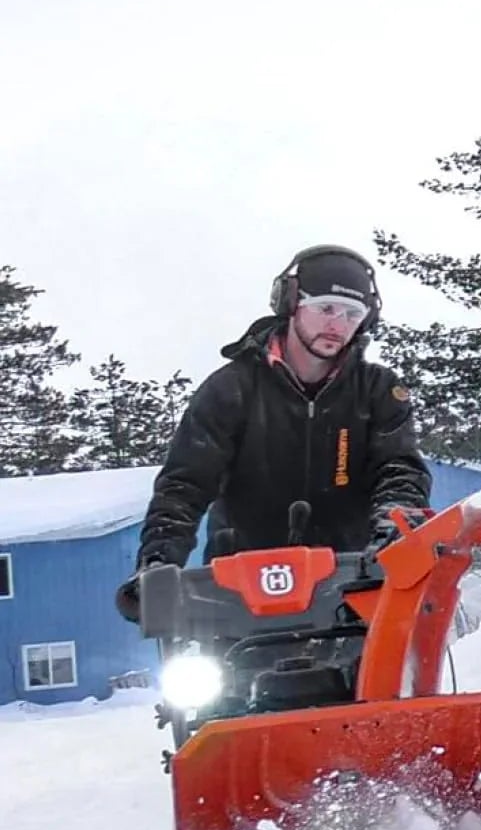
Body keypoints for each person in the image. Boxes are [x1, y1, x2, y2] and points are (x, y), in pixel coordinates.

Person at [116, 244, 431, 621]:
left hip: (352, 588)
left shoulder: (378, 391)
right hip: (236, 595)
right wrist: (158, 562)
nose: (337, 324)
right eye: (325, 308)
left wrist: (393, 524)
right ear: (290, 302)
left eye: (352, 314)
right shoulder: (230, 389)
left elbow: (399, 468)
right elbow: (184, 486)